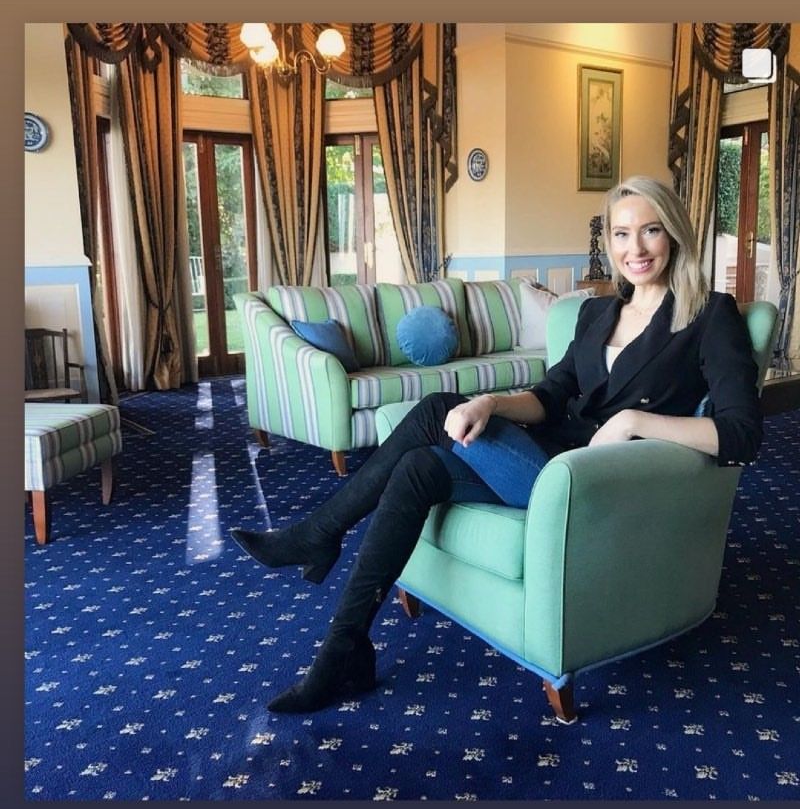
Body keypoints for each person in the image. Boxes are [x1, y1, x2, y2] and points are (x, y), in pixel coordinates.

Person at [231, 175, 763, 713]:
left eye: (650, 230)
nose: (636, 248)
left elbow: (742, 434)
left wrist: (633, 421)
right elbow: (549, 397)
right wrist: (489, 403)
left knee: (436, 408)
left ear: (673, 233)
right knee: (420, 466)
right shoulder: (596, 313)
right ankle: (344, 650)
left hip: (599, 484)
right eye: (622, 234)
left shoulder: (707, 315)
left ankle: (317, 534)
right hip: (549, 461)